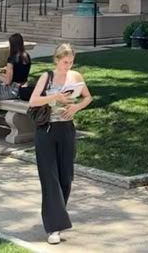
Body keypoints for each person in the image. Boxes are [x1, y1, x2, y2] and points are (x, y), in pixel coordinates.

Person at [29, 43, 92, 245]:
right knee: (50, 178)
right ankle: (53, 227)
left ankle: (56, 216)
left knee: (66, 177)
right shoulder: (46, 77)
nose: (68, 65)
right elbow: (33, 101)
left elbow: (88, 97)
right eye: (65, 62)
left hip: (66, 130)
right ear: (57, 60)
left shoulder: (76, 77)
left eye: (71, 62)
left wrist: (76, 108)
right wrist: (54, 97)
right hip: (46, 131)